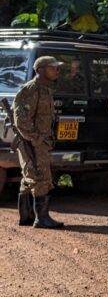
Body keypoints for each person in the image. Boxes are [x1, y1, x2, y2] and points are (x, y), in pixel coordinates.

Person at [12, 56, 65, 229]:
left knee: (30, 176)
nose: (57, 71)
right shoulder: (31, 90)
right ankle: (41, 218)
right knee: (40, 176)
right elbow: (21, 119)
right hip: (33, 141)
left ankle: (26, 216)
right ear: (41, 70)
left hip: (41, 142)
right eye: (53, 68)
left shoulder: (46, 89)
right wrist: (36, 138)